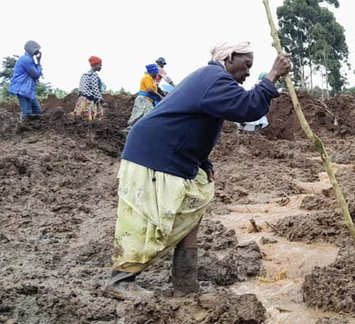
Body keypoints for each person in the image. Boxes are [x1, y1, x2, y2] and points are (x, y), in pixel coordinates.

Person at [105, 42, 291, 297]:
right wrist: (273, 75)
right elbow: (249, 109)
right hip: (154, 155)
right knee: (149, 220)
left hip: (170, 154)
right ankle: (121, 282)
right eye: (246, 65)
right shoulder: (214, 78)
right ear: (229, 58)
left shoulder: (213, 80)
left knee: (192, 209)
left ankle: (186, 284)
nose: (248, 72)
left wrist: (203, 161)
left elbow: (192, 123)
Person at [8, 40, 43, 120]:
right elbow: (36, 75)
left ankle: (35, 130)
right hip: (22, 90)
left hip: (28, 90)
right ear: (31, 49)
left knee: (37, 111)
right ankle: (24, 131)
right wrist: (39, 63)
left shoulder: (29, 60)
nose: (38, 51)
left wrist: (37, 62)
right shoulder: (26, 60)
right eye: (36, 49)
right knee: (27, 113)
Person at [126, 64, 164, 130]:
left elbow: (153, 90)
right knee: (140, 115)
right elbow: (150, 90)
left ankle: (137, 130)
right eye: (156, 73)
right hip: (143, 100)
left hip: (148, 100)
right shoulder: (147, 77)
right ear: (152, 72)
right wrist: (159, 96)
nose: (156, 74)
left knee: (146, 117)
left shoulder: (151, 79)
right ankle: (130, 130)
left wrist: (160, 97)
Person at [72, 56, 104, 121]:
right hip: (90, 100)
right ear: (94, 65)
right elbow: (95, 89)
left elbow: (81, 87)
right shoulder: (93, 75)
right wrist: (100, 99)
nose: (101, 67)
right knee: (92, 118)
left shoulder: (84, 75)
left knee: (81, 117)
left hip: (82, 100)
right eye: (99, 65)